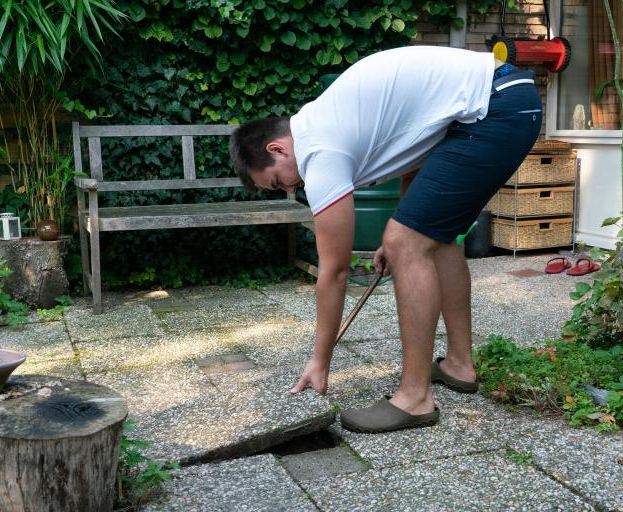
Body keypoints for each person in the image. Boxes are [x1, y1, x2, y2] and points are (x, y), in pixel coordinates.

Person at [229, 45, 541, 433]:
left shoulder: (318, 150)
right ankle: (459, 365)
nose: (291, 189)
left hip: (495, 107)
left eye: (279, 181)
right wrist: (405, 224)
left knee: (407, 242)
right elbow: (418, 157)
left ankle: (414, 399)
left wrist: (320, 360)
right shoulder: (332, 119)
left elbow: (335, 271)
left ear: (277, 149)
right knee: (434, 239)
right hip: (505, 96)